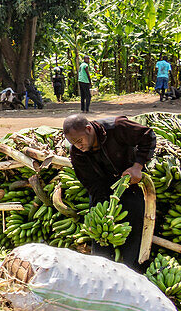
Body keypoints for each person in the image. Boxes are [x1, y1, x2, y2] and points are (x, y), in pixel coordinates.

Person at [63, 113, 157, 270]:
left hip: (131, 183)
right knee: (99, 236)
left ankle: (132, 271)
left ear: (88, 129)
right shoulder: (77, 152)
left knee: (133, 230)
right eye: (74, 143)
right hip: (103, 188)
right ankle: (101, 272)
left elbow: (148, 136)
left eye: (79, 141)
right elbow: (90, 182)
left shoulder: (116, 127)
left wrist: (137, 166)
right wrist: (105, 207)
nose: (78, 145)